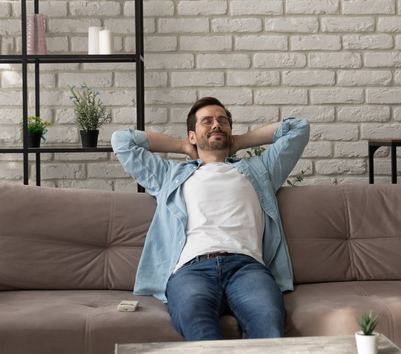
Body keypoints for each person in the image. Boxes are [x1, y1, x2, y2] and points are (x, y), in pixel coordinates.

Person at [111, 97, 310, 341]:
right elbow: (122, 141)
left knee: (268, 321)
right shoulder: (169, 175)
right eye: (207, 122)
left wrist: (237, 142)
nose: (216, 125)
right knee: (197, 323)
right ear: (193, 134)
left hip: (247, 268)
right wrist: (184, 145)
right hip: (191, 271)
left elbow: (298, 127)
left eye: (222, 121)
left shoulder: (261, 171)